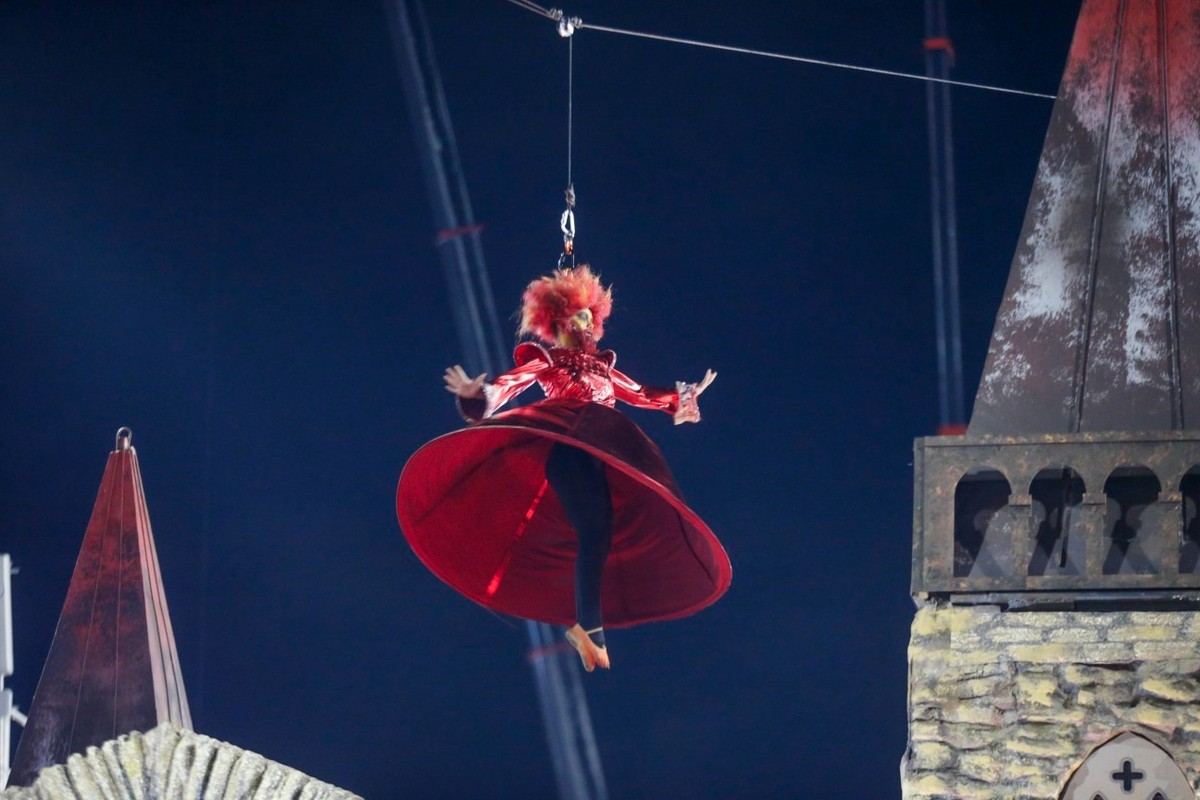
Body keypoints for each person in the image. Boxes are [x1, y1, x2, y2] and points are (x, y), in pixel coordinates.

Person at [397, 265, 730, 672]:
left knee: (600, 534)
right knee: (593, 532)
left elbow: (640, 393)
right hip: (569, 447)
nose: (586, 322)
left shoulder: (604, 367)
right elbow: (513, 382)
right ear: (559, 321)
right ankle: (588, 625)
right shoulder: (551, 360)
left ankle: (588, 625)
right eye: (577, 315)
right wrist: (478, 395)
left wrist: (683, 398)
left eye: (590, 314)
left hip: (599, 451)